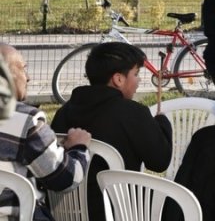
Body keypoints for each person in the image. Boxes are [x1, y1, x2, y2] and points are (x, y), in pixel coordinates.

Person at [50, 42, 174, 221]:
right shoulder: (132, 113)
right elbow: (160, 161)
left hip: (64, 213)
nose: (139, 80)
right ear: (118, 79)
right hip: (120, 212)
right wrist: (163, 123)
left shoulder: (64, 111)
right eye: (136, 74)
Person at [0, 44, 90, 219]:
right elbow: (64, 178)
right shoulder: (25, 120)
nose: (28, 77)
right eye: (23, 69)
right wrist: (79, 148)